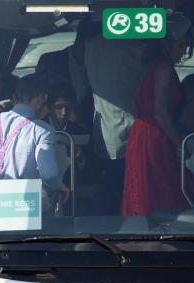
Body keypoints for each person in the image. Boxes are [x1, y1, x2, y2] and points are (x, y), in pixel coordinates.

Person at [0, 75, 69, 207]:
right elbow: (49, 174)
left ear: (16, 98)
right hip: (22, 204)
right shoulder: (43, 130)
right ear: (42, 98)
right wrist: (60, 187)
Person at [121, 17, 192, 216]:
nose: (184, 51)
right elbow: (160, 112)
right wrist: (180, 144)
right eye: (181, 46)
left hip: (143, 132)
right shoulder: (164, 68)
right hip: (155, 135)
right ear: (167, 45)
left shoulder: (149, 66)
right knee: (161, 186)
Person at [84, 30, 146, 214]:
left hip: (108, 127)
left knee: (114, 181)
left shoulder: (92, 46)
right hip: (135, 123)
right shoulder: (139, 47)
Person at [36, 18, 97, 128]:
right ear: (80, 42)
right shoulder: (50, 61)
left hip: (90, 128)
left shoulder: (101, 65)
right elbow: (39, 99)